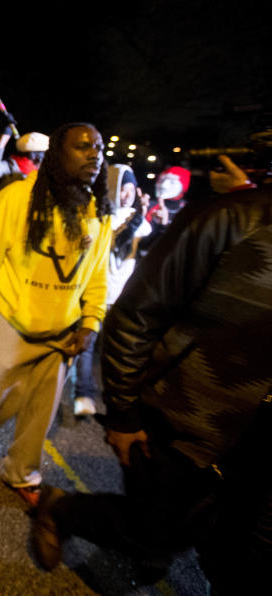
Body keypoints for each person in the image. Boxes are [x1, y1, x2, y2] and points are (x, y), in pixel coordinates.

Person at [31, 158, 271, 593]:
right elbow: (139, 313)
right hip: (185, 425)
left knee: (229, 549)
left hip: (257, 451)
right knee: (156, 527)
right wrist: (122, 412)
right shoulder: (232, 217)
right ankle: (62, 510)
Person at [0, 122, 113, 507]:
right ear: (56, 154)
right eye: (82, 146)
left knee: (41, 412)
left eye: (99, 148)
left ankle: (22, 474)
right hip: (9, 321)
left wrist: (90, 322)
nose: (94, 154)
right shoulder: (16, 198)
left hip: (61, 332)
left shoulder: (98, 210)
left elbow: (98, 275)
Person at [72, 164, 149, 417]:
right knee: (87, 344)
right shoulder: (101, 216)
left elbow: (147, 246)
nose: (125, 195)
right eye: (120, 189)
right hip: (96, 292)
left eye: (129, 189)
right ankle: (83, 394)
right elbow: (115, 242)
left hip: (123, 298)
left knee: (119, 352)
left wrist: (153, 221)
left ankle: (120, 406)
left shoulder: (142, 221)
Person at [0, 128, 49, 195]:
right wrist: (4, 138)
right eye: (45, 153)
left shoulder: (43, 173)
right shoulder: (12, 166)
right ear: (35, 155)